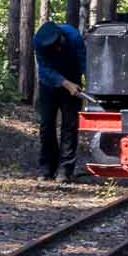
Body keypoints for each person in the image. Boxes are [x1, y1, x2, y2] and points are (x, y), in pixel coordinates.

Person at [32, 18, 87, 181]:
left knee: (70, 125)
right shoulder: (38, 41)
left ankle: (65, 170)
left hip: (73, 80)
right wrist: (64, 83)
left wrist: (90, 83)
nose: (57, 48)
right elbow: (44, 69)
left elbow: (84, 62)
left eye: (59, 44)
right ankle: (46, 167)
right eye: (53, 47)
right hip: (49, 84)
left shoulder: (74, 37)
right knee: (46, 125)